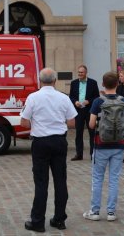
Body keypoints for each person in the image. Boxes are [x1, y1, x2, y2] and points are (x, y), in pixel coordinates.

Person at [20, 68, 77, 232]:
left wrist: (38, 125)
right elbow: (72, 123)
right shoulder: (63, 98)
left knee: (41, 183)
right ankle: (59, 220)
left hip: (40, 142)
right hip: (59, 141)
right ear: (55, 81)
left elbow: (24, 122)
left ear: (40, 80)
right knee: (60, 181)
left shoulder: (33, 97)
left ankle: (37, 221)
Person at [82, 72, 124, 222]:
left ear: (103, 85)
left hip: (100, 145)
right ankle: (111, 212)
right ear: (117, 84)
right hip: (119, 145)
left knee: (98, 178)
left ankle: (95, 211)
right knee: (114, 179)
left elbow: (91, 125)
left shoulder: (98, 102)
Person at [69, 65, 99, 160]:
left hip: (90, 111)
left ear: (86, 73)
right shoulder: (73, 83)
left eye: (81, 72)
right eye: (78, 72)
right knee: (78, 133)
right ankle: (79, 154)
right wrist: (75, 102)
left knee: (91, 132)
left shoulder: (93, 83)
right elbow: (71, 96)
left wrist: (88, 101)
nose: (80, 74)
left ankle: (92, 154)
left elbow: (96, 96)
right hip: (78, 111)